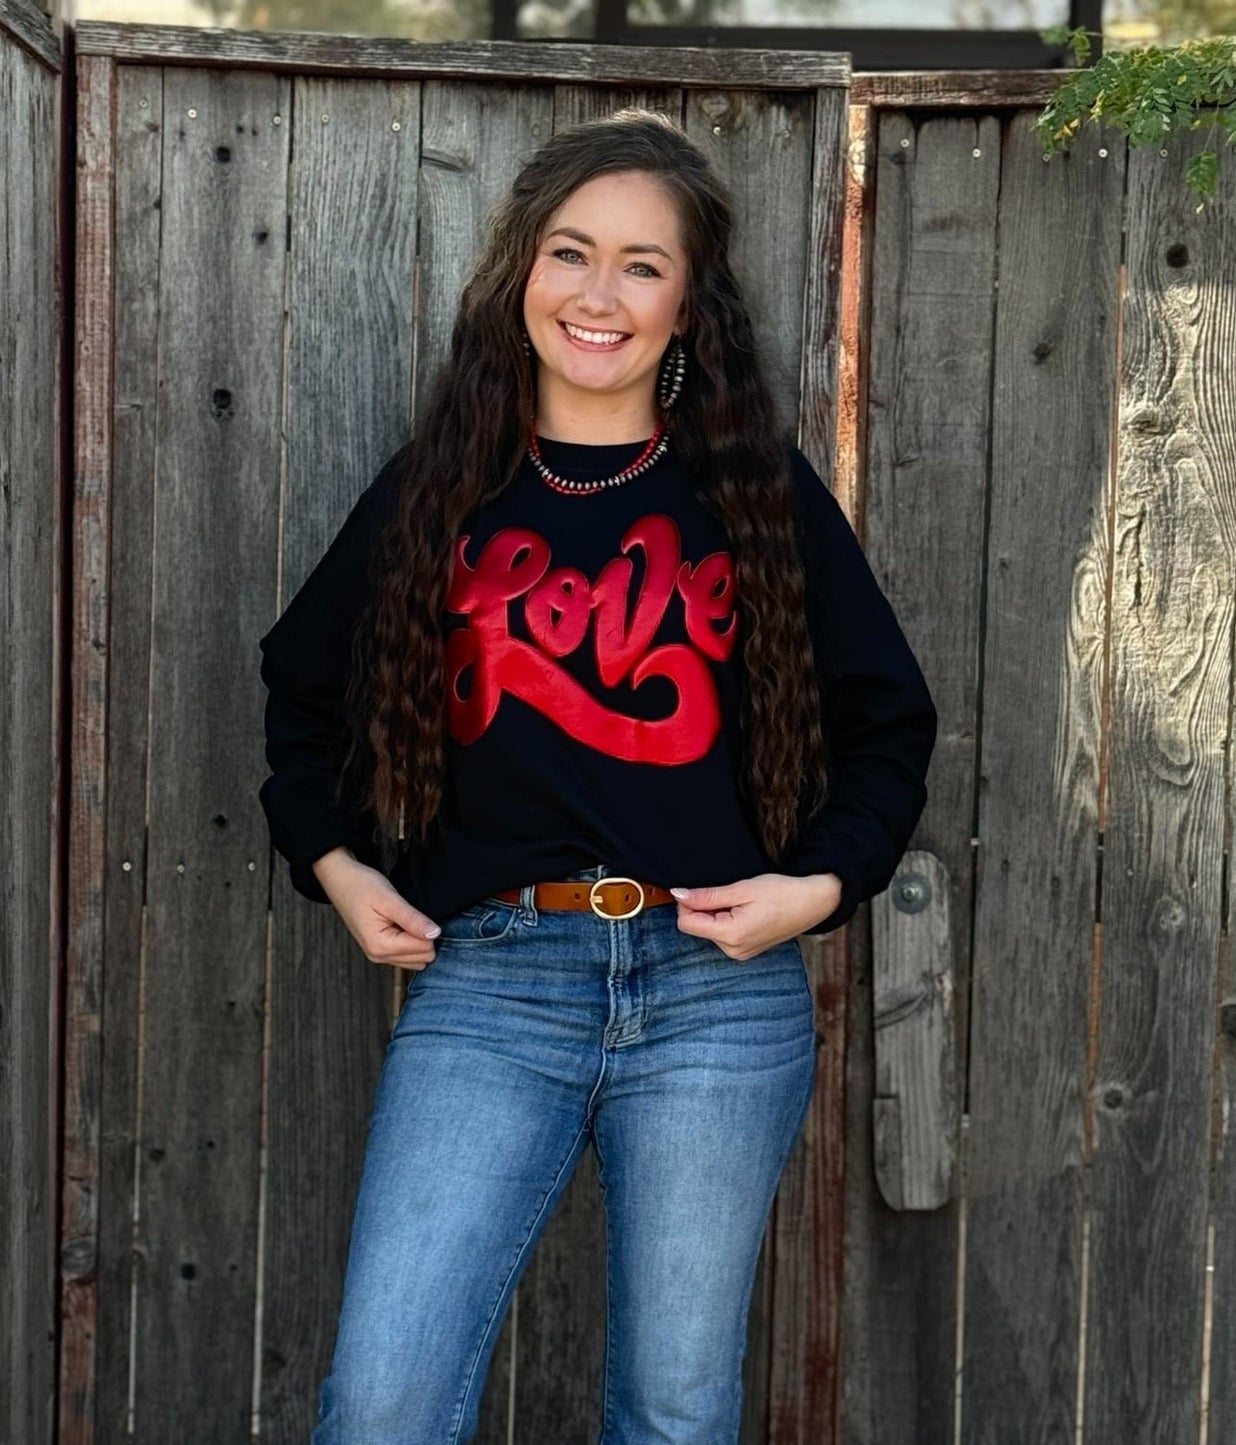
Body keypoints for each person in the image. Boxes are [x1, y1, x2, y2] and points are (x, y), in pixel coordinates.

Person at [258, 108, 937, 1445]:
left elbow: (886, 721)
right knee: (383, 1399)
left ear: (687, 308)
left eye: (641, 264)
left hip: (713, 998)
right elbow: (301, 691)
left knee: (673, 1413)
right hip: (492, 981)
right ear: (524, 273)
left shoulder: (751, 496)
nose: (599, 293)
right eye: (572, 252)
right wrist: (335, 864)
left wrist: (812, 889)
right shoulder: (443, 490)